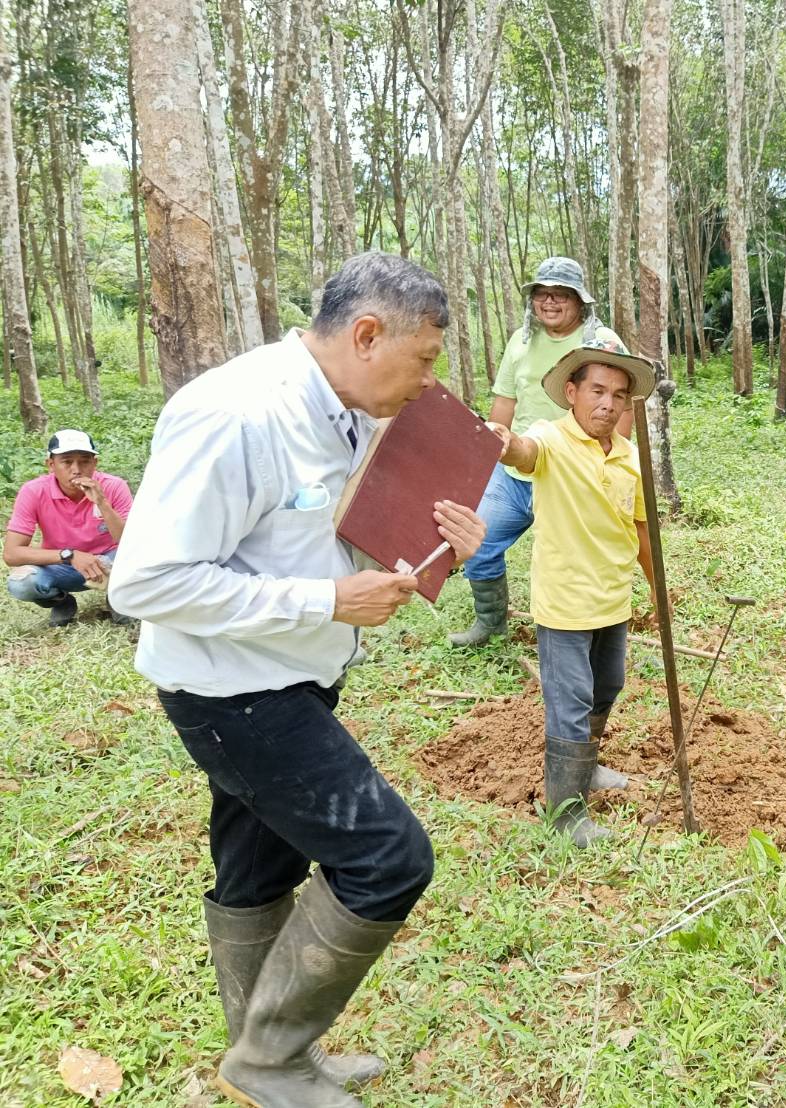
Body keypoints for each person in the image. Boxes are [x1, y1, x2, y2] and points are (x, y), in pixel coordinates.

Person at [109, 253, 487, 1108]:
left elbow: (323, 539)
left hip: (292, 673)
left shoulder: (348, 409)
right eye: (425, 359)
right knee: (390, 859)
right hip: (232, 693)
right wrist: (323, 598)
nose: (430, 382)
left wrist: (439, 557)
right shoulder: (237, 414)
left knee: (256, 873)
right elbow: (143, 583)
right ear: (365, 335)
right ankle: (271, 1059)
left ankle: (263, 1052)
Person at [489, 341, 657, 848]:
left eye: (619, 395)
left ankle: (586, 767)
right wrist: (504, 441)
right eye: (597, 390)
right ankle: (564, 813)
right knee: (570, 702)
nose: (607, 403)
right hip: (564, 601)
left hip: (613, 597)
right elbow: (524, 451)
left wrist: (659, 593)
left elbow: (642, 529)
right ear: (571, 392)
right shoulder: (551, 439)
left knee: (608, 686)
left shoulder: (628, 456)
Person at [451, 256, 628, 648]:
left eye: (560, 295)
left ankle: (592, 629)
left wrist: (612, 459)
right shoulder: (521, 340)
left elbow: (624, 406)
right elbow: (504, 402)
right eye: (542, 294)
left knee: (580, 559)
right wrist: (487, 456)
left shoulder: (601, 342)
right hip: (515, 470)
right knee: (480, 542)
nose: (549, 302)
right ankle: (490, 624)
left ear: (580, 301)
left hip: (573, 472)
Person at [4, 429, 133, 627]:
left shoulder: (114, 486)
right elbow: (12, 554)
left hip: (109, 561)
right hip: (63, 564)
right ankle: (62, 602)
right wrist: (70, 555)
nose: (76, 469)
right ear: (51, 465)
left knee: (145, 558)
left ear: (95, 463)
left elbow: (130, 542)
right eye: (66, 462)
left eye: (84, 461)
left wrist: (102, 502)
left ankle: (118, 599)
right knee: (21, 584)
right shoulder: (34, 491)